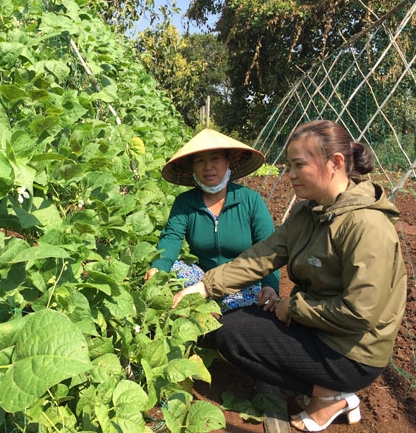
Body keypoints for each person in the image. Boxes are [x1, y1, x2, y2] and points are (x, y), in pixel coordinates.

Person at [172, 120, 407, 432]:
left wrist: (293, 308)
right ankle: (326, 390)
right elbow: (265, 254)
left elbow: (359, 314)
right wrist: (205, 286)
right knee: (230, 329)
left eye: (298, 166)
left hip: (353, 351)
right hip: (320, 325)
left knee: (234, 337)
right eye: (288, 166)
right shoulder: (308, 211)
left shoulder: (366, 226)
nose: (290, 175)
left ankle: (329, 395)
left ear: (335, 163)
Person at [144, 128, 280, 310]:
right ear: (193, 168)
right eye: (200, 161)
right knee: (173, 271)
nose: (208, 167)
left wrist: (270, 286)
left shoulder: (250, 200)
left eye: (215, 158)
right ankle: (208, 309)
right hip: (202, 280)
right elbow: (171, 239)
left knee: (252, 308)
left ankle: (214, 312)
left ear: (228, 162)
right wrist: (158, 268)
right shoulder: (185, 203)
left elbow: (269, 248)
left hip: (244, 282)